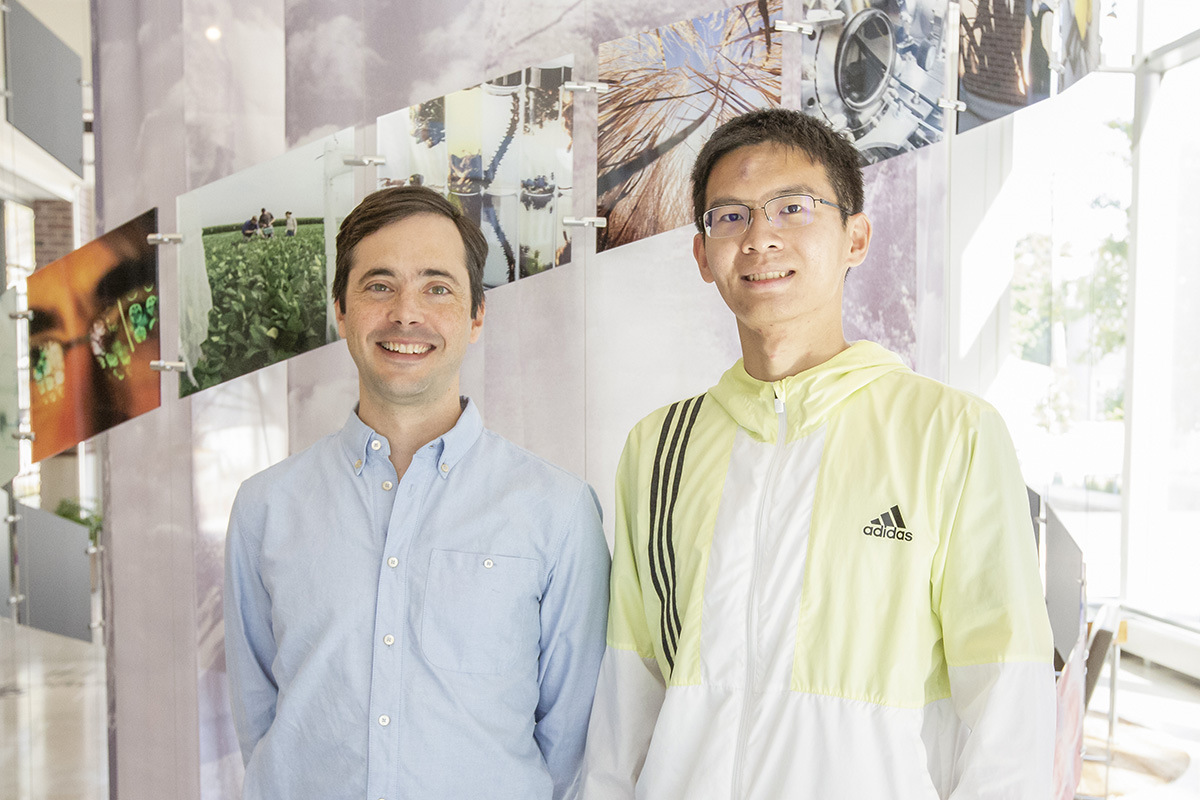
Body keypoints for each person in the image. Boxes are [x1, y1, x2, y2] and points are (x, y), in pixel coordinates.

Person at [581, 108, 1054, 798]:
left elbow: (1007, 704)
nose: (761, 238)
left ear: (855, 237)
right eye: (730, 217)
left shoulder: (952, 434)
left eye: (792, 208)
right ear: (701, 255)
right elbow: (631, 692)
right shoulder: (658, 447)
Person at [224, 185, 610, 799]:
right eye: (379, 285)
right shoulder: (265, 507)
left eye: (437, 287)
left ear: (477, 315)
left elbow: (568, 740)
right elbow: (260, 716)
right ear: (342, 312)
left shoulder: (558, 512)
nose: (407, 313)